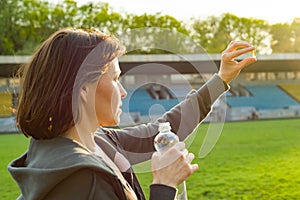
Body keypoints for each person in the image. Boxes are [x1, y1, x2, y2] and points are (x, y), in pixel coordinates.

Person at [8, 27, 256, 200]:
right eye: (115, 79)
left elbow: (162, 129)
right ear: (84, 88)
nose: (123, 92)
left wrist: (221, 79)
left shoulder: (94, 141)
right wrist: (164, 186)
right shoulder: (84, 178)